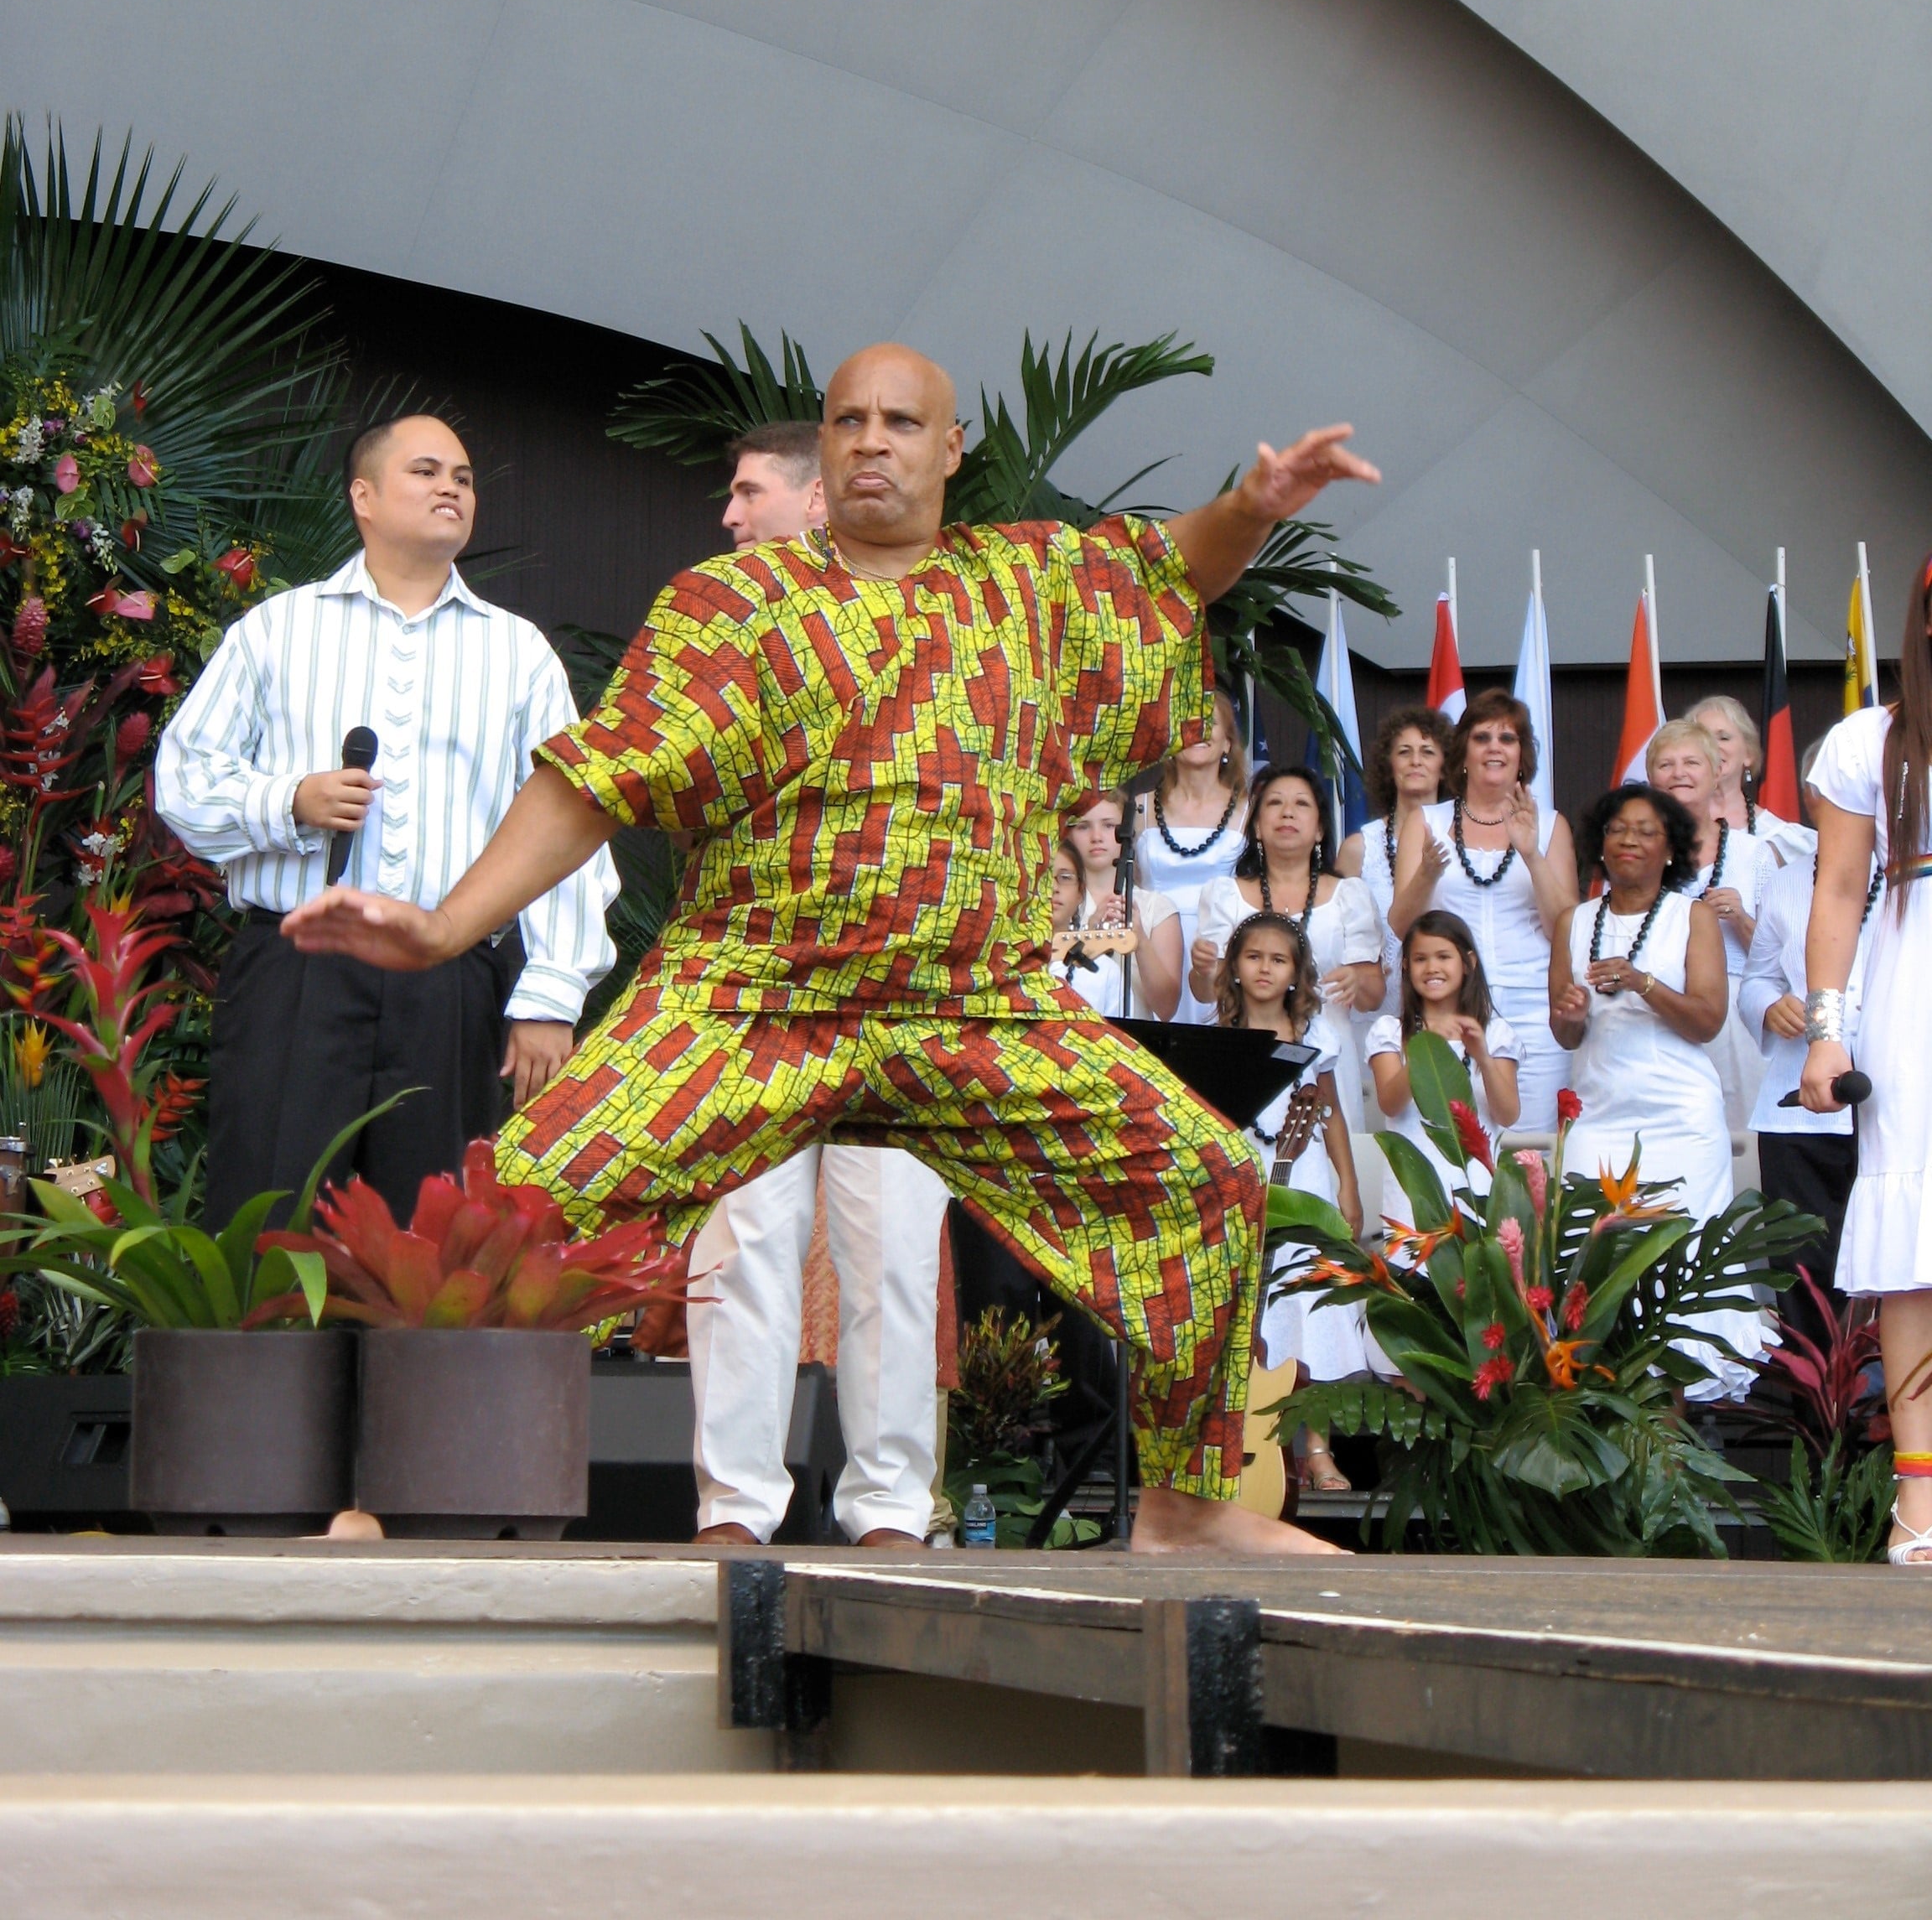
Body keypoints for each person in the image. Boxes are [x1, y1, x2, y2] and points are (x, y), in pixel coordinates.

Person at [283, 343, 1381, 1557]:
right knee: (517, 1197)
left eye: (902, 421)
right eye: (850, 420)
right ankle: (396, 1487)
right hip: (751, 996)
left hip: (975, 1012)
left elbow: (1167, 574)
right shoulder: (733, 605)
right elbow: (596, 781)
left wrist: (1251, 506)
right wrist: (444, 927)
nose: (872, 441)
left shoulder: (1028, 586)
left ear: (950, 450)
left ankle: (1181, 1506)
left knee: (1202, 1178)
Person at [153, 416, 619, 1226]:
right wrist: (288, 802)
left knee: (429, 1240)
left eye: (464, 478)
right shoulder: (279, 629)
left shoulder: (518, 653)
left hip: (450, 983)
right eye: (427, 471)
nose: (451, 489)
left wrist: (550, 990)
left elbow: (563, 821)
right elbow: (183, 781)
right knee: (272, 1217)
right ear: (362, 496)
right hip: (295, 967)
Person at [688, 418, 948, 1549]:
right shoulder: (711, 630)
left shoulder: (929, 616)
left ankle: (890, 1509)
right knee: (744, 1240)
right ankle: (735, 1508)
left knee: (888, 1242)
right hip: (756, 978)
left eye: (748, 494)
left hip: (899, 975)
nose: (730, 517)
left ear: (815, 499)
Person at [1800, 553, 1932, 1564]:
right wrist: (1827, 1029)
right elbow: (1839, 893)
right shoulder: (1873, 740)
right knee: (1916, 1248)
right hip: (1910, 983)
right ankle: (1920, 1504)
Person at [1550, 784, 1762, 1401]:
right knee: (1594, 1264)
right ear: (1600, 844)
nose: (1631, 841)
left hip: (1679, 1118)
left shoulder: (1690, 918)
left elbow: (1707, 1020)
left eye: (1647, 831)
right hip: (1598, 1115)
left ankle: (1673, 1432)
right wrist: (1568, 1010)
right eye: (1618, 829)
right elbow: (1566, 1034)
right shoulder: (1574, 921)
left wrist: (1644, 983)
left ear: (1671, 849)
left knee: (1681, 1268)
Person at [1738, 740, 1876, 1355]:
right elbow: (1759, 977)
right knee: (1803, 1274)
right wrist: (1769, 1005)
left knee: (1890, 1266)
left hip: (1890, 1095)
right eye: (1822, 788)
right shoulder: (1791, 881)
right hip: (1797, 1104)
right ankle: (1820, 1439)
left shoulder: (1913, 874)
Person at [1390, 691, 1578, 1137]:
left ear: (1521, 757)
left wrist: (1531, 854)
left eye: (1508, 738)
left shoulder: (1552, 825)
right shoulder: (1427, 822)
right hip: (1448, 1005)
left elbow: (1565, 931)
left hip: (1533, 1008)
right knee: (1455, 1142)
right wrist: (1428, 875)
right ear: (1463, 756)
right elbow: (1401, 925)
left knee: (1530, 1148)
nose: (1495, 746)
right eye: (1482, 737)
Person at [1221, 909, 1362, 1492]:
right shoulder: (1219, 1040)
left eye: (1278, 960)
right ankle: (1243, 1449)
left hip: (1303, 1182)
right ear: (1234, 967)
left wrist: (1347, 1186)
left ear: (1296, 973)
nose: (1265, 968)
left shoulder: (1316, 1038)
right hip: (1244, 1184)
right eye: (1254, 957)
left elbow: (1332, 1117)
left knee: (1308, 1308)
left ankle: (1318, 1448)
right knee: (1248, 1315)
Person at [1189, 766, 1384, 1145]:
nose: (1288, 813)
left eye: (1301, 804)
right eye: (1275, 803)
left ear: (1320, 830)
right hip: (1246, 1052)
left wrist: (1357, 980)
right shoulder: (1224, 894)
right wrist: (1200, 971)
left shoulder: (1350, 895)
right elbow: (1204, 992)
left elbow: (1375, 993)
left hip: (1328, 1052)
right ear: (1258, 828)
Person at [1647, 716, 1776, 1145]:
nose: (1678, 773)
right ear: (1650, 778)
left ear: (1716, 771)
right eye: (1665, 765)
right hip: (1661, 1011)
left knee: (1743, 1141)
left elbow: (1783, 957)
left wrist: (1739, 918)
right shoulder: (1637, 857)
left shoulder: (1753, 853)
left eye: (1691, 762)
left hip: (1737, 1015)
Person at [1367, 911, 1520, 1201]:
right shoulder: (1389, 1031)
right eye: (1420, 959)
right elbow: (1390, 1104)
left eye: (1443, 957)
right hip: (1413, 1193)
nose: (1432, 967)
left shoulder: (1495, 1032)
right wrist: (1426, 1048)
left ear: (1468, 963)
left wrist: (1483, 1059)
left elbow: (1508, 1114)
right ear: (1405, 966)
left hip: (1479, 1189)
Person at [1137, 690, 1248, 1023]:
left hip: (1220, 954)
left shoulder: (1249, 810)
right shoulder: (1139, 808)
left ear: (1227, 743)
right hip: (1153, 952)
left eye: (1210, 722)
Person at [1337, 705, 1452, 1015]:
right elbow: (1339, 932)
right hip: (1374, 1006)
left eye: (1427, 752)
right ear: (1389, 765)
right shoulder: (1358, 848)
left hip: (1444, 1000)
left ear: (1445, 767)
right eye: (1405, 752)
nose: (1416, 761)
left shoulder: (1462, 841)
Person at [1062, 793, 1182, 1020]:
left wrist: (1140, 941)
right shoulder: (1056, 901)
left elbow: (1166, 1008)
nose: (1097, 837)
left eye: (1109, 826)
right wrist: (1090, 935)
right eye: (1083, 827)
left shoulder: (1157, 907)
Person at [1690, 693, 1813, 865]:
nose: (1712, 747)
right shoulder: (1667, 829)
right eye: (1703, 739)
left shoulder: (1782, 838)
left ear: (1748, 754)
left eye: (1723, 738)